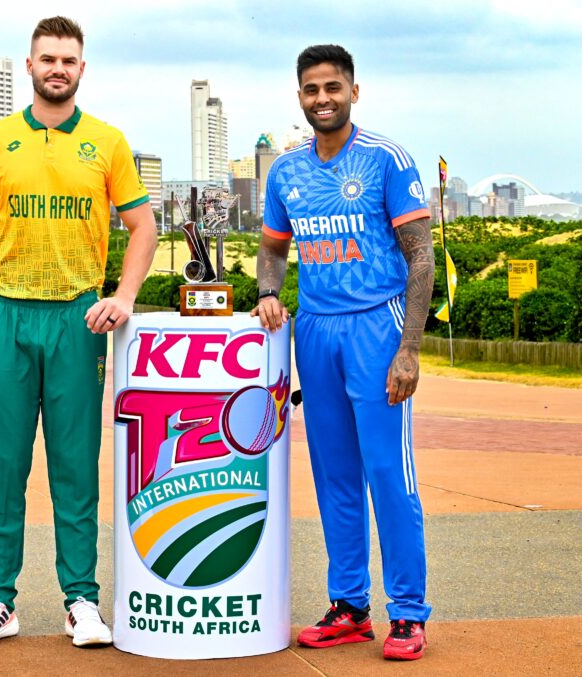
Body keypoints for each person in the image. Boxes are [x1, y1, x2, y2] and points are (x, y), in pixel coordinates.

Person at [0, 15, 157, 649]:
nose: (57, 68)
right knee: (3, 464)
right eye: (47, 58)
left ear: (81, 69)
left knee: (75, 467)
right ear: (30, 65)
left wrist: (122, 296)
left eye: (68, 59)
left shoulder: (107, 142)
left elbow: (142, 227)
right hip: (6, 314)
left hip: (76, 316)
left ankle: (81, 601)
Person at [252, 44, 434, 662]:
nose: (322, 98)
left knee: (389, 473)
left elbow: (420, 257)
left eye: (333, 87)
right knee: (333, 476)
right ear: (299, 97)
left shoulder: (385, 158)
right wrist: (269, 293)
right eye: (311, 89)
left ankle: (407, 614)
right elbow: (273, 249)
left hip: (377, 328)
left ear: (354, 91)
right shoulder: (286, 172)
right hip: (316, 331)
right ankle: (350, 606)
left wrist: (408, 349)